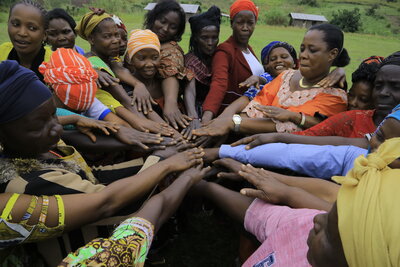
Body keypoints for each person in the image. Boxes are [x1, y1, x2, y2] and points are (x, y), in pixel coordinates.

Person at [193, 24, 349, 138]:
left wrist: (232, 123)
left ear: (332, 54)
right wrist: (224, 124)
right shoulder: (286, 76)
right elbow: (255, 108)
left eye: (312, 50)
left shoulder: (334, 96)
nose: (304, 55)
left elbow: (289, 127)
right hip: (247, 141)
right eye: (302, 49)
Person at [229, 52, 400, 147]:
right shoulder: (347, 115)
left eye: (363, 99)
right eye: (352, 95)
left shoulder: (335, 98)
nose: (353, 103)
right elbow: (311, 135)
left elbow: (315, 131)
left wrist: (232, 123)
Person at [201, 0, 263, 122]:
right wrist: (207, 117)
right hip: (232, 118)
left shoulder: (249, 50)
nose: (245, 28)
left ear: (255, 23)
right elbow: (219, 83)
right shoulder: (225, 52)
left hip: (252, 116)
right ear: (231, 23)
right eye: (240, 23)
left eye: (250, 23)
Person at [144, 0, 194, 130]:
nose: (165, 29)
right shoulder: (141, 39)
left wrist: (170, 104)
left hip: (160, 110)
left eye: (173, 27)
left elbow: (170, 73)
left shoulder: (171, 50)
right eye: (162, 21)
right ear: (153, 18)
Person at [182, 6, 221, 139]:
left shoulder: (220, 57)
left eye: (214, 38)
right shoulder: (190, 61)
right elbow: (190, 90)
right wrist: (193, 118)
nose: (210, 43)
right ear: (195, 38)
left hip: (219, 108)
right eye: (205, 38)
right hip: (197, 110)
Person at [0, 0, 51, 81]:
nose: (22, 33)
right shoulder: (2, 52)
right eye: (16, 24)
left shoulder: (54, 64)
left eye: (32, 28)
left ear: (44, 34)